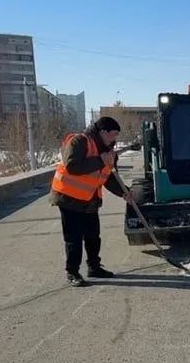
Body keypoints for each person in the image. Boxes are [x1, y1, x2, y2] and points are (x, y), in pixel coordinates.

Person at [49, 116, 136, 287]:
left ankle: (94, 267)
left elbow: (109, 177)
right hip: (69, 198)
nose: (114, 139)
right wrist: (100, 160)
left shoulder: (108, 151)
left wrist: (123, 192)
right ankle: (72, 272)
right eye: (112, 135)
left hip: (89, 199)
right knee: (73, 238)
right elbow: (72, 166)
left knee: (93, 236)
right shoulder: (79, 142)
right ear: (102, 132)